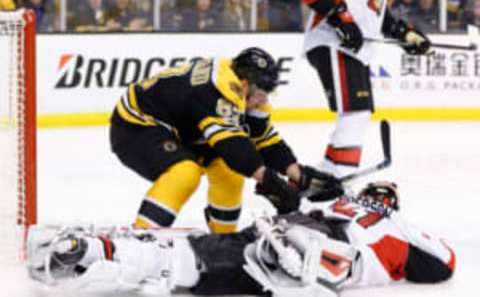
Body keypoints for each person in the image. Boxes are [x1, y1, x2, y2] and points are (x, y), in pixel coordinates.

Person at [27, 181, 456, 296]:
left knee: (200, 259)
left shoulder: (339, 201)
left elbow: (297, 198)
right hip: (331, 242)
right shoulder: (400, 227)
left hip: (297, 225)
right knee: (214, 267)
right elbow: (443, 265)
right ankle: (308, 261)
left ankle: (97, 252)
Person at [109, 46, 341, 234]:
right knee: (185, 173)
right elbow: (232, 146)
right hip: (136, 125)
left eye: (267, 92)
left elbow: (260, 136)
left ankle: (223, 239)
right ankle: (141, 238)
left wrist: (297, 173)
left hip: (182, 130)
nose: (263, 99)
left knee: (229, 172)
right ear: (245, 83)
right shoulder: (216, 88)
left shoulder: (247, 91)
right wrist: (269, 180)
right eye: (261, 91)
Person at [301, 0, 432, 179]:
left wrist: (406, 34)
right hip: (333, 42)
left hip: (355, 51)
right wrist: (342, 19)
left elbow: (377, 14)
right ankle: (338, 182)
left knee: (357, 116)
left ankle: (324, 182)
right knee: (356, 115)